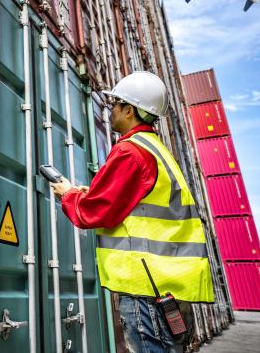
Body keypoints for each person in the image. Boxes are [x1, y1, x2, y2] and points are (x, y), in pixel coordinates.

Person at [51, 71, 214, 353]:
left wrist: (68, 195)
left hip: (146, 291)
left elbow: (94, 212)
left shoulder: (130, 151)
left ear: (130, 110)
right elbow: (137, 204)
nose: (111, 109)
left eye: (116, 103)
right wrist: (89, 193)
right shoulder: (156, 150)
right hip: (169, 287)